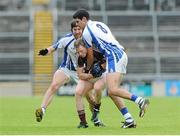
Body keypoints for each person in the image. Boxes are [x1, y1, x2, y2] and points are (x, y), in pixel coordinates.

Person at [73, 9, 150, 124]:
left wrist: (88, 69)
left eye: (78, 22)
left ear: (84, 19)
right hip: (120, 53)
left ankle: (140, 101)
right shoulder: (99, 24)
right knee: (112, 91)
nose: (77, 24)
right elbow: (112, 38)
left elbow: (90, 55)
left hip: (113, 56)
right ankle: (129, 119)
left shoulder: (86, 33)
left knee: (113, 90)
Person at [35, 20, 100, 124]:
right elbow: (54, 47)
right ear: (72, 30)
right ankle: (42, 110)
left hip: (82, 72)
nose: (77, 31)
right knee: (54, 85)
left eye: (79, 29)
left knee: (91, 99)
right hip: (67, 69)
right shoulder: (66, 39)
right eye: (75, 29)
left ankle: (96, 119)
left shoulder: (87, 39)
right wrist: (45, 51)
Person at [74, 38, 136, 128]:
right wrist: (91, 74)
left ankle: (97, 107)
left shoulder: (97, 51)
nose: (80, 54)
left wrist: (98, 69)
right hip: (91, 77)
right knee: (78, 92)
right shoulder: (80, 58)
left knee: (99, 88)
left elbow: (106, 63)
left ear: (86, 47)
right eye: (78, 52)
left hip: (103, 75)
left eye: (81, 51)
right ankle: (86, 121)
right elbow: (80, 75)